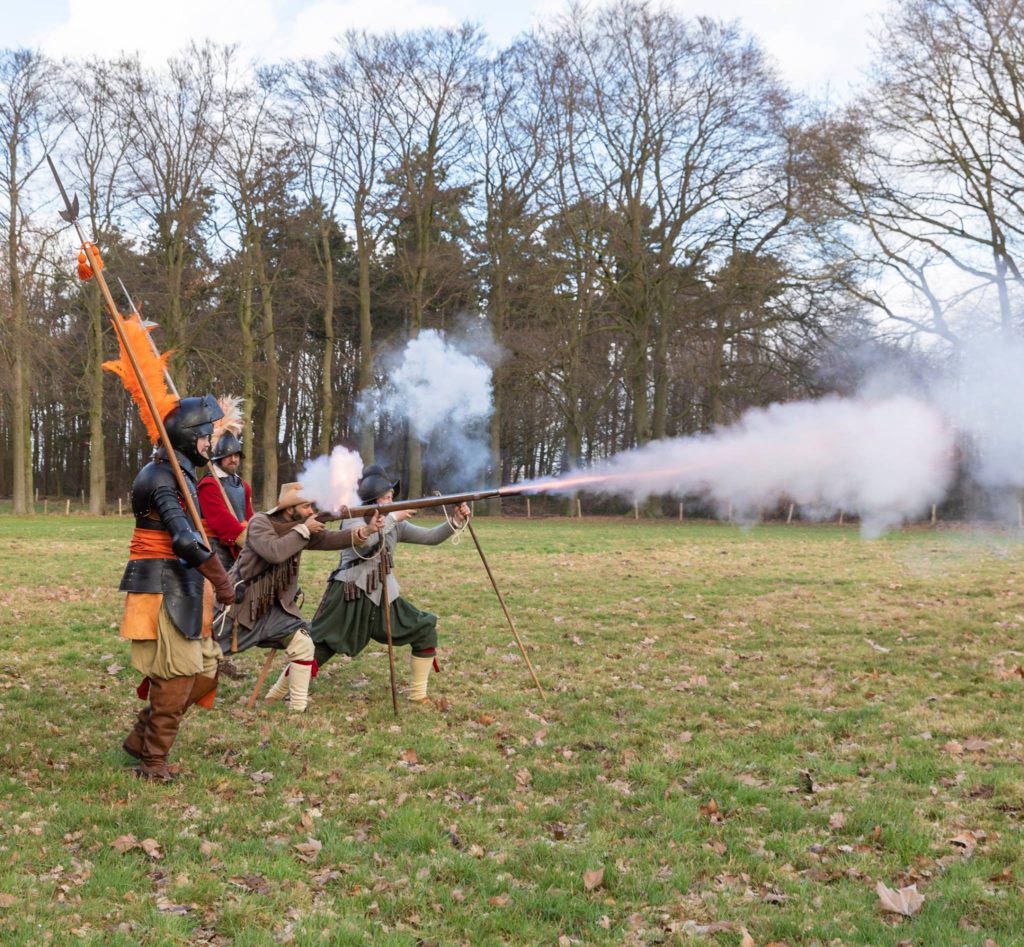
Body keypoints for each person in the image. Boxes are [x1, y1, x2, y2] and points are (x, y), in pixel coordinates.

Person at [119, 395, 237, 781]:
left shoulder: (181, 472)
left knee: (204, 670)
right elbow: (185, 540)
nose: (210, 444)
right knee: (177, 674)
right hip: (161, 584)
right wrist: (222, 580)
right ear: (189, 438)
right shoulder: (158, 476)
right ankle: (152, 763)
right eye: (206, 436)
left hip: (184, 581)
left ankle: (141, 737)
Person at [214, 482, 385, 712]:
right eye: (306, 506)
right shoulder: (260, 523)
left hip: (276, 608)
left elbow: (332, 539)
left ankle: (297, 709)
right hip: (243, 606)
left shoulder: (302, 529)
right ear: (289, 508)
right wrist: (304, 529)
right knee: (206, 653)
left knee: (303, 644)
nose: (310, 512)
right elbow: (274, 552)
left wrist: (366, 531)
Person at [310, 464, 470, 704]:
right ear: (373, 500)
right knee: (324, 646)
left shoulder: (394, 522)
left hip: (383, 593)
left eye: (391, 497)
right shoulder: (352, 520)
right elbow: (364, 543)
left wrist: (455, 521)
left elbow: (430, 538)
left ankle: (418, 695)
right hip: (350, 593)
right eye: (386, 497)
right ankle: (281, 691)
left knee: (424, 628)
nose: (391, 500)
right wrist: (393, 518)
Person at [197, 399, 253, 571]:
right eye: (229, 455)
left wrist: (257, 535)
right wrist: (247, 541)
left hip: (240, 544)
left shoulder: (242, 485)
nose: (234, 459)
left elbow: (249, 516)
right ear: (219, 457)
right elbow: (221, 520)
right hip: (216, 548)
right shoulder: (209, 484)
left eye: (237, 455)